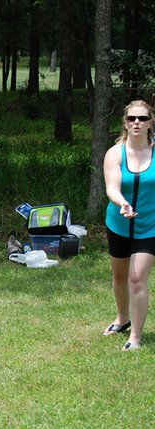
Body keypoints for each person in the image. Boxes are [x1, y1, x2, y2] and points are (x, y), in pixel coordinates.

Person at [103, 100, 155, 351]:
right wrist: (123, 203)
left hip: (150, 227)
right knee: (120, 276)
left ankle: (135, 336)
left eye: (142, 118)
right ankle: (122, 319)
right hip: (119, 224)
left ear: (150, 123)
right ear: (125, 122)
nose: (137, 122)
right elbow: (112, 188)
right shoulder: (115, 153)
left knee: (136, 279)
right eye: (132, 118)